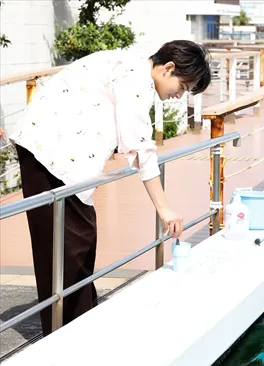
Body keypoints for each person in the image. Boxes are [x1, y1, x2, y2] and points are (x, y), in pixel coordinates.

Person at [8, 40, 212, 336]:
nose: (178, 96)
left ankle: (77, 327)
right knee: (65, 248)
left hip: (54, 155)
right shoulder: (135, 78)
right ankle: (67, 336)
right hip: (47, 155)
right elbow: (141, 147)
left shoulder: (128, 66)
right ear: (168, 68)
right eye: (182, 86)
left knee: (76, 243)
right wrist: (164, 208)